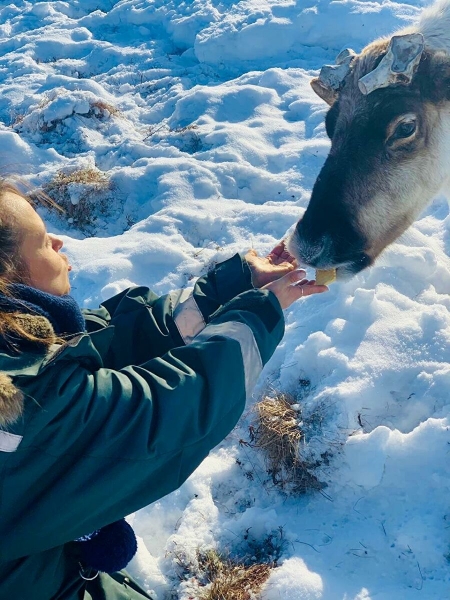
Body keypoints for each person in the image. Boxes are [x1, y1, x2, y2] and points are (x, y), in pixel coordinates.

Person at [0, 181, 327, 599]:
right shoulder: (21, 405)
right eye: (44, 242)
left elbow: (108, 344)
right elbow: (163, 414)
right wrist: (257, 314)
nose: (60, 241)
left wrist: (231, 287)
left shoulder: (17, 348)